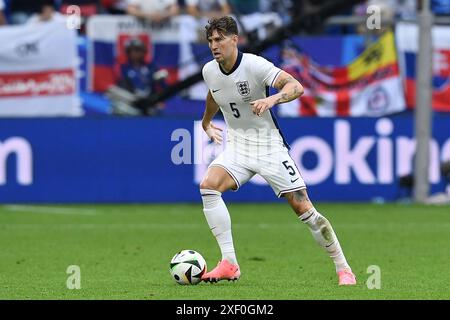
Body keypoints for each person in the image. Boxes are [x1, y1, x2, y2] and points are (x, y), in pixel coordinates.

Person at [199, 16, 356, 285]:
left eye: (220, 39)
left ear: (234, 40)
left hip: (269, 147)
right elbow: (215, 94)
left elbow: (296, 86)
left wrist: (272, 98)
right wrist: (206, 123)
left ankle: (344, 268)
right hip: (238, 147)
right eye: (211, 40)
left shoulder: (254, 64)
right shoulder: (209, 71)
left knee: (303, 208)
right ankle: (229, 263)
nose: (215, 45)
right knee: (209, 186)